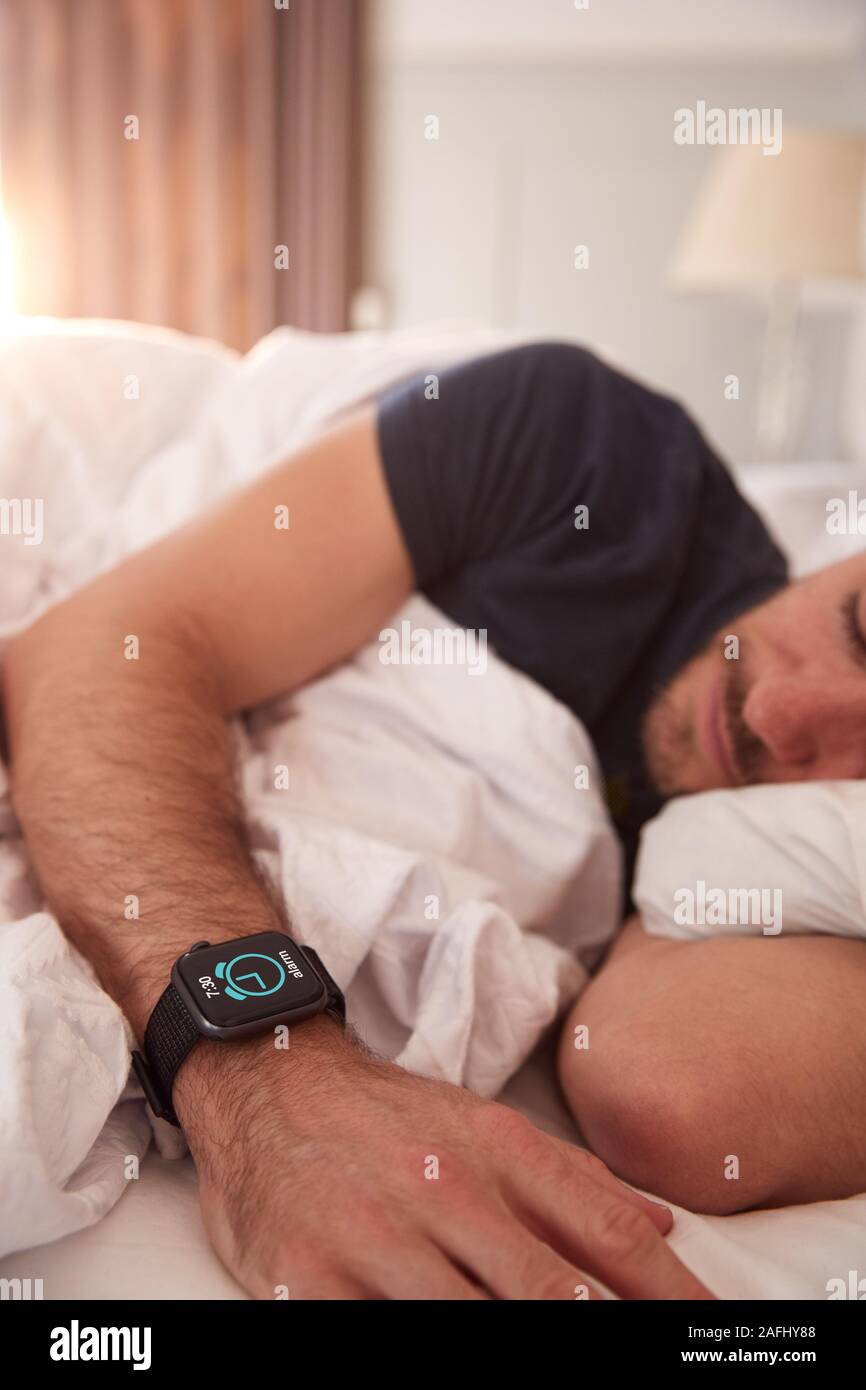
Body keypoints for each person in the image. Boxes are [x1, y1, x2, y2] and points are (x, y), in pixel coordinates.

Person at [5, 342, 865, 1300]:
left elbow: (678, 1088)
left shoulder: (786, 854)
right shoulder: (595, 450)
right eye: (859, 626)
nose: (779, 717)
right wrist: (269, 1073)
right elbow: (96, 650)